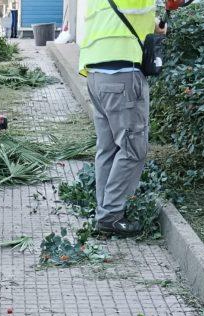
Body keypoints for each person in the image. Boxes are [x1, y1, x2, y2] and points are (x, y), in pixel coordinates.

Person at [78, 0, 166, 236]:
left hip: (96, 75)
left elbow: (126, 16)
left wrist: (153, 24)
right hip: (122, 76)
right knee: (133, 149)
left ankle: (104, 210)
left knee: (108, 149)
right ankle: (111, 215)